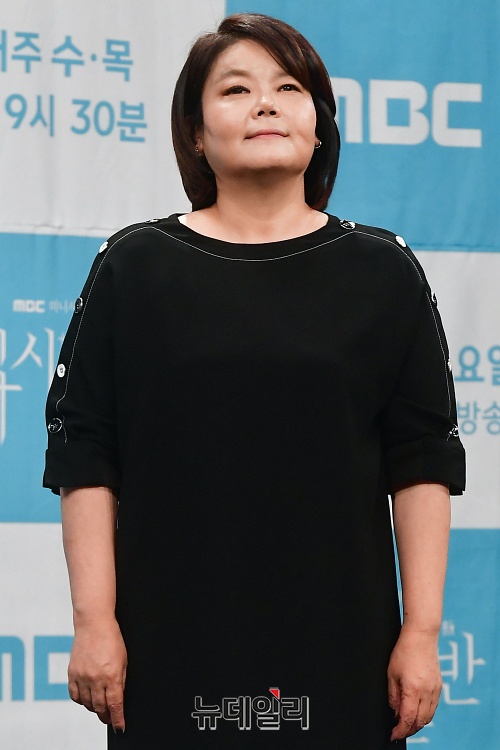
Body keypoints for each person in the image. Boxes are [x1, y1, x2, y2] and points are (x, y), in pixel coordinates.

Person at [43, 12, 466, 750]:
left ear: (319, 126)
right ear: (195, 134)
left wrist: (422, 633)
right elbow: (85, 450)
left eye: (288, 87)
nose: (265, 103)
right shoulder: (134, 266)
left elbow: (422, 458)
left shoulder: (383, 271)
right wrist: (93, 622)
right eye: (236, 89)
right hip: (169, 642)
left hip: (342, 644)